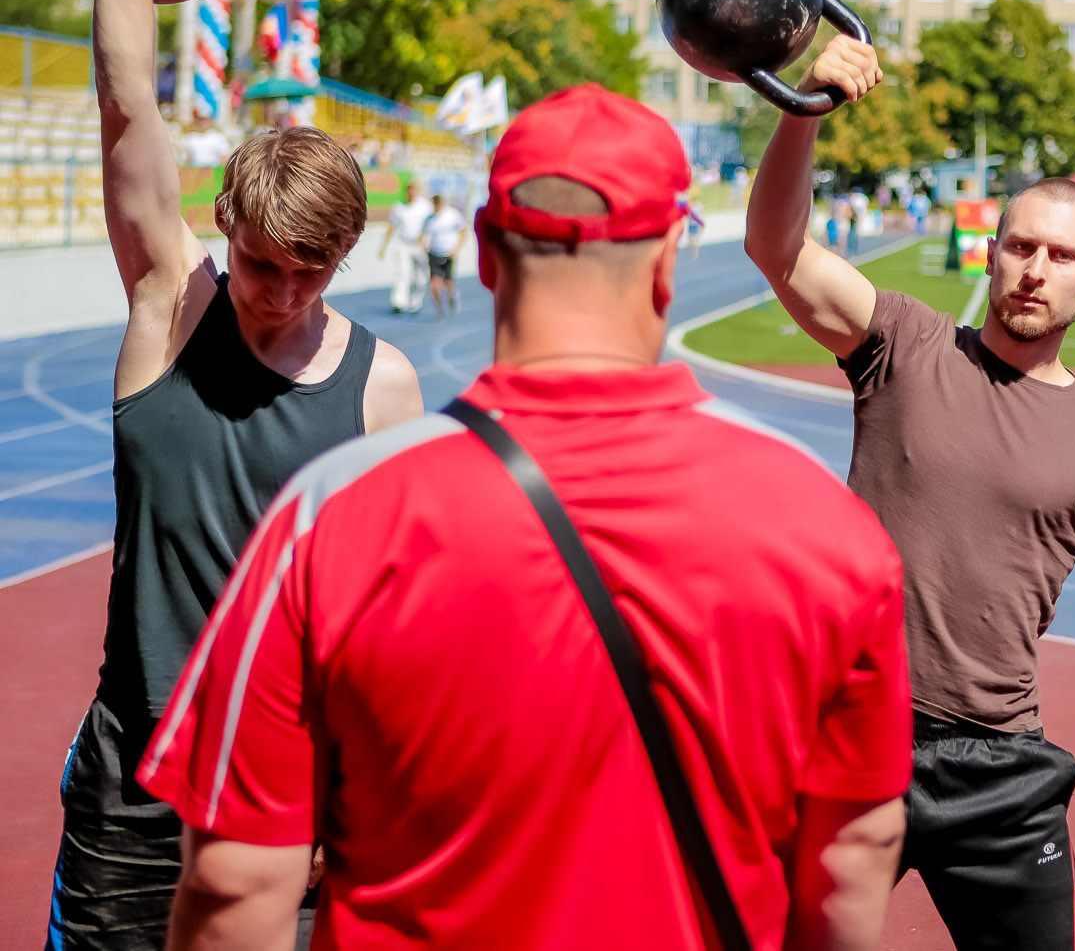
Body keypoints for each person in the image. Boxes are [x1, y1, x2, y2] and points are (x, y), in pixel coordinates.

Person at [138, 84, 912, 950]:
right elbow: (857, 851)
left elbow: (236, 881)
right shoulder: (826, 524)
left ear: (486, 254)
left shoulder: (330, 516)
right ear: (668, 259)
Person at [45, 0, 425, 951]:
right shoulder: (175, 309)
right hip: (135, 778)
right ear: (227, 231)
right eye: (263, 264)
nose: (282, 293)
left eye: (311, 273)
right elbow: (127, 109)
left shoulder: (383, 387)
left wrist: (355, 801)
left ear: (344, 261)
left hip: (287, 790)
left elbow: (379, 627)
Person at [746, 38, 1075, 950]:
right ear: (990, 253)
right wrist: (801, 106)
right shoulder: (902, 342)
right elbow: (775, 247)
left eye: (1061, 255)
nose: (1035, 268)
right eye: (1020, 245)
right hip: (850, 728)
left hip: (997, 763)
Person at [378, 181, 430, 314]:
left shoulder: (425, 206)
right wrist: (384, 246)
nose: (411, 192)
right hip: (404, 243)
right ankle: (399, 302)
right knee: (402, 272)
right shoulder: (399, 207)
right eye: (409, 189)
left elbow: (432, 225)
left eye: (413, 189)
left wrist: (427, 241)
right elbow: (392, 226)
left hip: (420, 245)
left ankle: (415, 302)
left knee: (421, 276)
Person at [422, 192, 468, 317]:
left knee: (447, 283)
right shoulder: (429, 219)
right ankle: (438, 307)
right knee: (434, 283)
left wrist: (456, 248)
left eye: (438, 202)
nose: (437, 205)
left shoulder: (452, 215)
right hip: (434, 253)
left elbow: (463, 232)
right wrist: (423, 245)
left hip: (449, 253)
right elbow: (422, 235)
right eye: (435, 203)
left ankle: (452, 295)